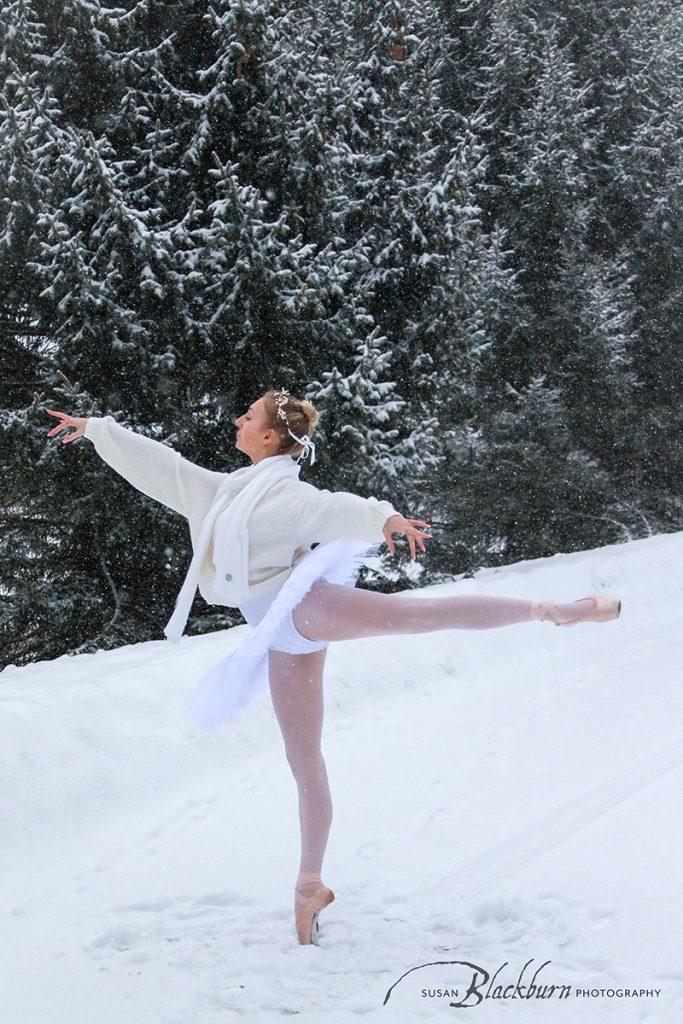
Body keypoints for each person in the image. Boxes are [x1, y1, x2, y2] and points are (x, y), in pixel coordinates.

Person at [45, 390, 621, 945]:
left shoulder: (286, 497)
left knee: (417, 615)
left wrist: (387, 521)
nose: (237, 422)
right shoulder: (223, 493)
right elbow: (163, 469)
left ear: (269, 436)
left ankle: (555, 611)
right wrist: (99, 431)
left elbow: (338, 508)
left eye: (247, 417)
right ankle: (309, 886)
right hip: (279, 636)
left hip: (306, 608)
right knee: (304, 760)